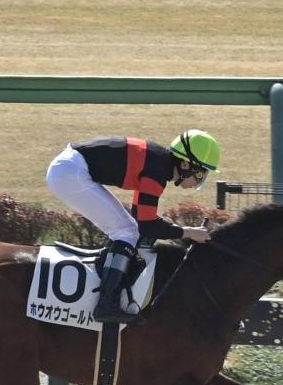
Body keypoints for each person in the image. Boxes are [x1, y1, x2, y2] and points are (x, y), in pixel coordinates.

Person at [46, 130, 221, 324]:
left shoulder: (156, 162)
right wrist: (188, 232)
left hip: (69, 168)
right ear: (185, 164)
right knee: (126, 231)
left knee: (128, 228)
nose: (199, 181)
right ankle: (106, 303)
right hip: (70, 173)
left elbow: (142, 220)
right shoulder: (156, 172)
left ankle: (110, 282)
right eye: (200, 173)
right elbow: (147, 225)